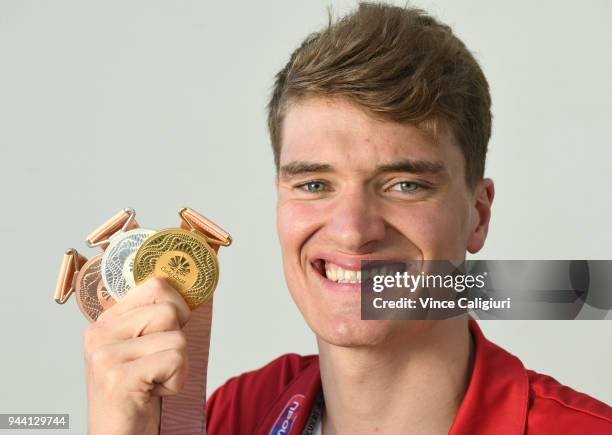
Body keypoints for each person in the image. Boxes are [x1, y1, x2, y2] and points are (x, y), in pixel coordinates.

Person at [83, 3, 612, 434]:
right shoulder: (231, 416)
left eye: (405, 185)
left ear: (478, 215)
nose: (353, 230)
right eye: (314, 185)